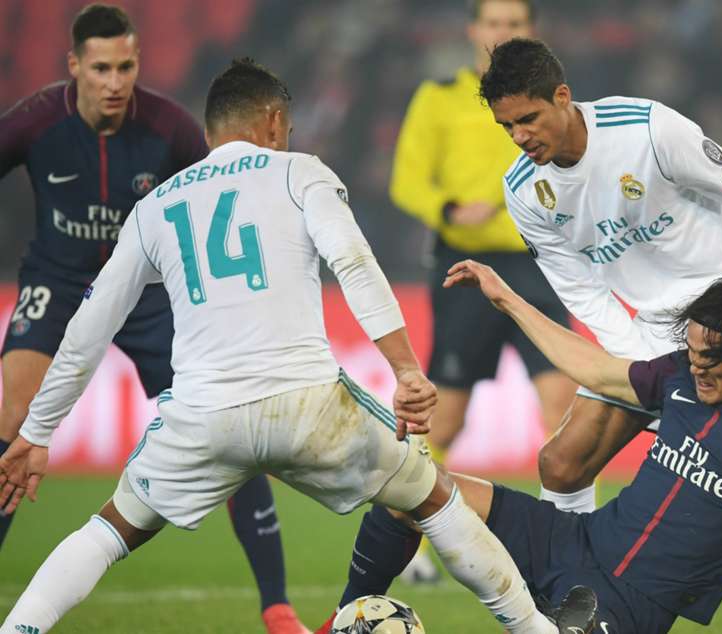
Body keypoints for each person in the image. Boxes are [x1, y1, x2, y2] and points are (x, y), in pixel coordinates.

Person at [0, 58, 597, 634]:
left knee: (108, 531)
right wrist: (406, 370)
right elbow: (355, 265)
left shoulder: (155, 206)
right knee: (433, 499)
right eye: (284, 126)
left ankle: (18, 628)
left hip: (203, 415)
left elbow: (89, 325)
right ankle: (535, 631)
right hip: (307, 406)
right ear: (271, 123)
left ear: (210, 132)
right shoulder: (299, 172)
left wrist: (37, 433)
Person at [477, 37, 722, 630]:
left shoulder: (645, 129)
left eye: (529, 119)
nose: (519, 136)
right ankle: (565, 596)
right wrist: (653, 364)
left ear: (563, 97)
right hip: (656, 337)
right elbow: (582, 291)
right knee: (562, 463)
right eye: (506, 126)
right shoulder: (523, 191)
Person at [332, 263, 722, 634]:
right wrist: (507, 301)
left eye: (712, 358)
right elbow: (596, 369)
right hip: (574, 540)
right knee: (408, 493)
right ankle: (344, 619)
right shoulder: (680, 374)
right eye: (691, 351)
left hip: (630, 606)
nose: (696, 367)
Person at [0, 5, 306, 632]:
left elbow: (226, 193)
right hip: (57, 284)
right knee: (11, 420)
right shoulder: (35, 123)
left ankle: (276, 606)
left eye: (127, 67)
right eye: (102, 68)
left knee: (225, 425)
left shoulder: (170, 129)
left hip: (147, 298)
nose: (116, 81)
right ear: (74, 67)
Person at [389, 0, 574, 468]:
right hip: (465, 270)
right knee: (445, 421)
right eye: (494, 23)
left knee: (563, 407)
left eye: (514, 24)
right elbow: (406, 181)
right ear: (473, 29)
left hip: (535, 264)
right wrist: (448, 210)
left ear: (533, 31)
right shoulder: (439, 96)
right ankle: (413, 535)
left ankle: (572, 531)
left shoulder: (554, 99)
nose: (502, 33)